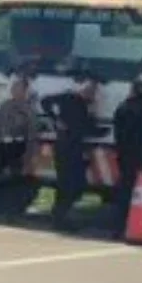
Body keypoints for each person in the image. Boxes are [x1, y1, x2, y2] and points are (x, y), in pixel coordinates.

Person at [0, 73, 39, 222]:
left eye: (18, 88)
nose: (14, 90)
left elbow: (32, 135)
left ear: (24, 90)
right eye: (13, 88)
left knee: (15, 180)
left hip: (19, 147)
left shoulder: (29, 110)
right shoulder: (5, 106)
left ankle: (12, 212)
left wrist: (28, 156)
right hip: (3, 145)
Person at [42, 71, 99, 232]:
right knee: (66, 184)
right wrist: (55, 119)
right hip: (64, 147)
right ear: (83, 88)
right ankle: (59, 217)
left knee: (76, 184)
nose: (92, 93)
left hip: (75, 149)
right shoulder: (69, 98)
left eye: (94, 91)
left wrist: (93, 113)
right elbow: (45, 101)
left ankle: (61, 214)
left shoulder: (86, 108)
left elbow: (89, 129)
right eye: (90, 90)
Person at [110, 73, 142, 240]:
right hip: (139, 159)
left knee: (125, 192)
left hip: (124, 156)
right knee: (141, 195)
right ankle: (138, 227)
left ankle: (118, 228)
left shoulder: (122, 107)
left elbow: (117, 133)